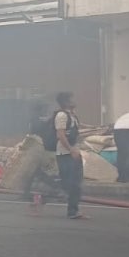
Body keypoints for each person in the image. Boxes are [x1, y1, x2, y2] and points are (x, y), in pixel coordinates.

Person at [53, 91, 86, 220]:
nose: (74, 101)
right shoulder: (61, 115)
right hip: (65, 153)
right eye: (72, 99)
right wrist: (71, 149)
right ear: (66, 102)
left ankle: (74, 209)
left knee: (76, 183)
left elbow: (78, 128)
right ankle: (72, 210)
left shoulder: (72, 115)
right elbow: (60, 135)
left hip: (74, 152)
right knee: (72, 183)